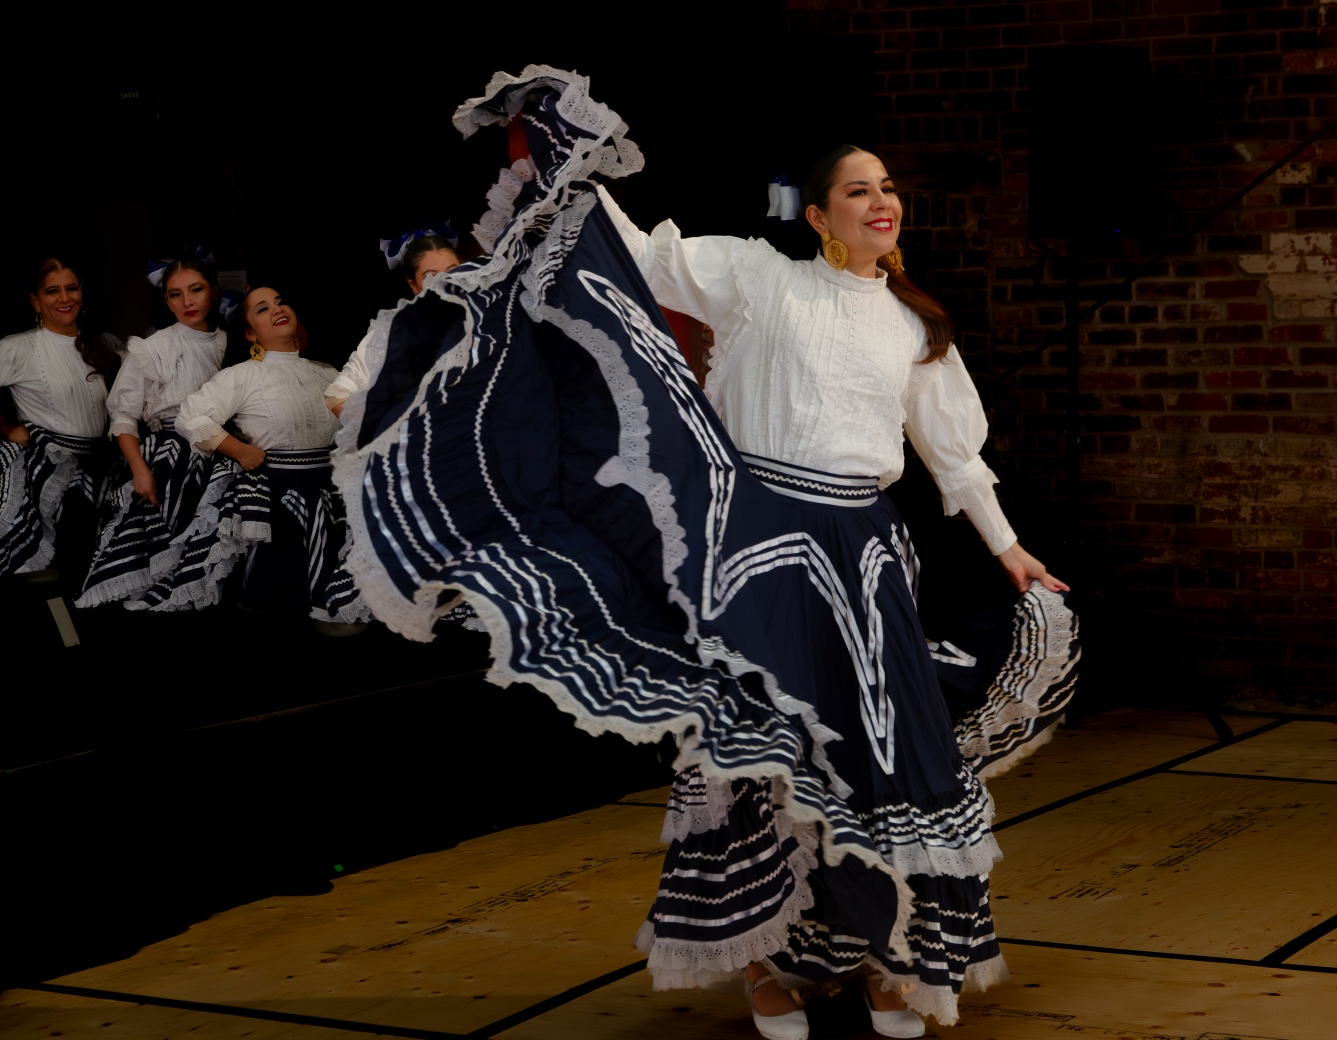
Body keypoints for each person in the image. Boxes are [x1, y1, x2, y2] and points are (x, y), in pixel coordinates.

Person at [331, 67, 1079, 1038]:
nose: (880, 200)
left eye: (887, 185)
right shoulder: (758, 274)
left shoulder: (913, 324)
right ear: (818, 214)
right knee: (761, 760)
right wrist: (569, 158)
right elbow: (632, 256)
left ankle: (876, 957)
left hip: (867, 556)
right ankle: (769, 964)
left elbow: (954, 455)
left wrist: (1009, 549)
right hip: (762, 543)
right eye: (857, 188)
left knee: (874, 758)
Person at [128, 286, 369, 625]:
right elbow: (190, 416)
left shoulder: (328, 373)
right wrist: (239, 450)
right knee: (279, 600)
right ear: (249, 332)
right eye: (262, 308)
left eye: (280, 301)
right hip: (277, 493)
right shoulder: (242, 376)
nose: (276, 309)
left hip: (329, 490)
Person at [75, 254, 228, 607]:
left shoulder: (228, 343)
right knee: (163, 558)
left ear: (214, 292)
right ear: (166, 300)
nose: (187, 302)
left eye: (196, 290)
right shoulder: (153, 347)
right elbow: (123, 416)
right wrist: (140, 470)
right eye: (175, 294)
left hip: (221, 455)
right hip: (171, 460)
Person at [0, 256, 121, 584]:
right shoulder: (18, 348)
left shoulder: (105, 344)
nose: (65, 298)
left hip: (104, 464)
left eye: (72, 288)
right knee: (66, 559)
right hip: (53, 468)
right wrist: (8, 429)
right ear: (34, 300)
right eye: (53, 291)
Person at [323, 226, 461, 418]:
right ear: (413, 285)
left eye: (453, 272)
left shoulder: (489, 321)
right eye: (431, 277)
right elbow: (337, 396)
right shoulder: (392, 332)